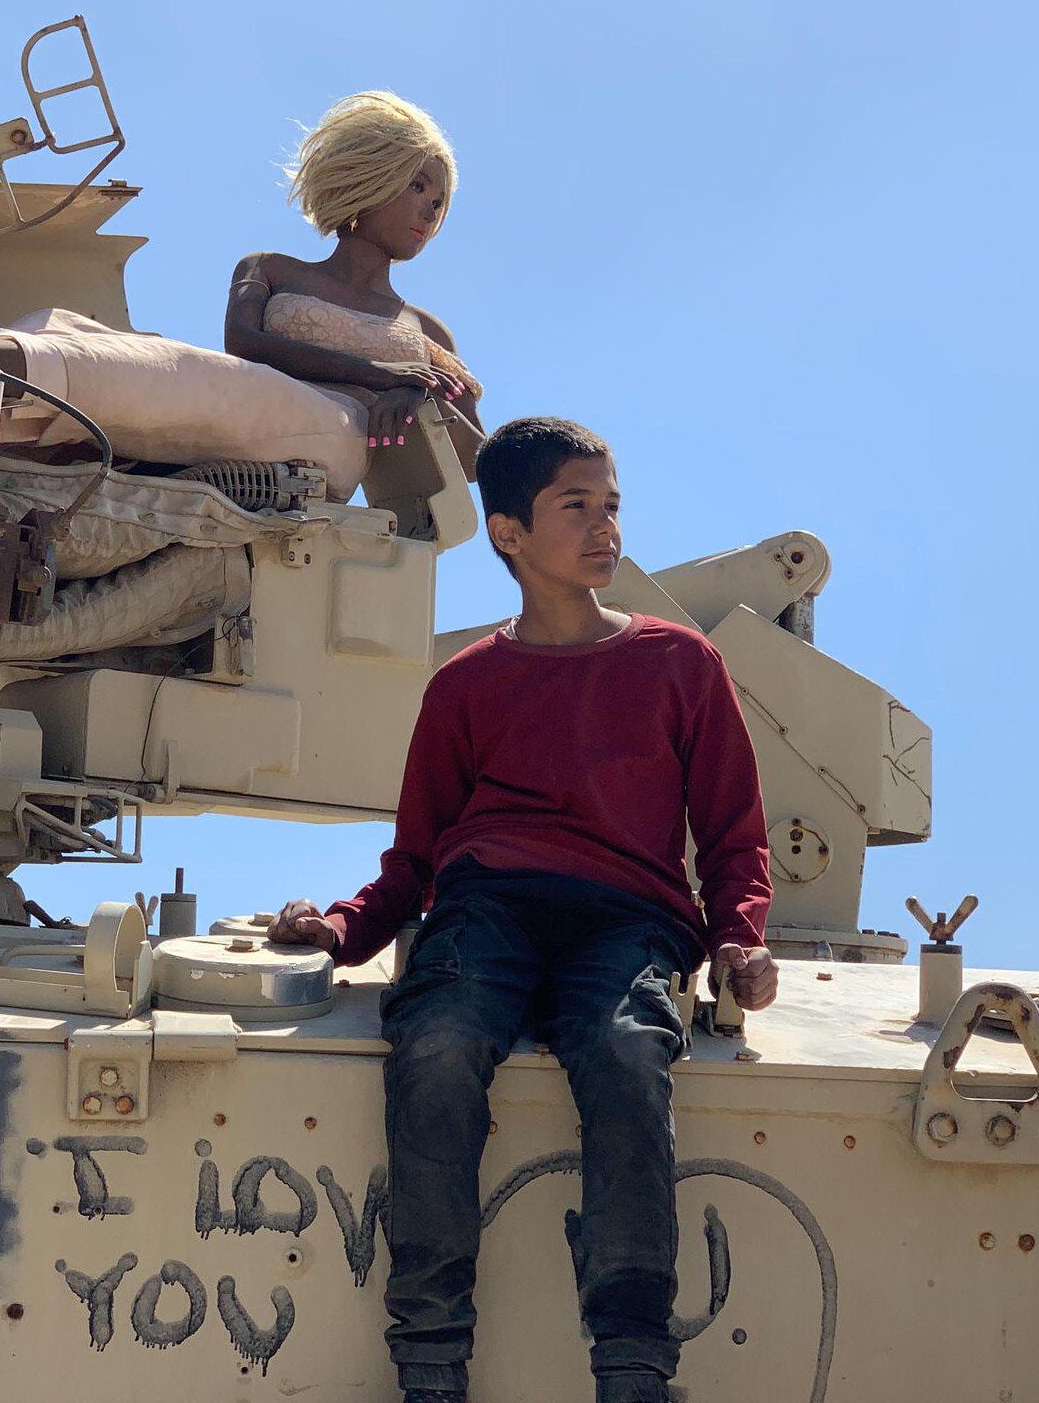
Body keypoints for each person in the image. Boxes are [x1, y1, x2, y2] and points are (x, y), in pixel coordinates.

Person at [269, 417, 779, 1403]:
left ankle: (633, 1366)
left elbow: (731, 834)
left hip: (627, 921)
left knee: (629, 1049)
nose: (604, 529)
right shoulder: (467, 686)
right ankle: (430, 1361)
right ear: (507, 532)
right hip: (487, 908)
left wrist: (736, 942)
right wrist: (341, 930)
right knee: (440, 1038)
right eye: (575, 506)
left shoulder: (680, 665)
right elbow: (415, 857)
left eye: (612, 505)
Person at [225, 91, 485, 477]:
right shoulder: (268, 269)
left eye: (438, 202)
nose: (429, 212)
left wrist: (417, 394)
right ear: (372, 174)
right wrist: (382, 374)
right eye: (418, 186)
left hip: (341, 520)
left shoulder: (428, 332)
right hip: (228, 472)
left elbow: (476, 462)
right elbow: (243, 343)